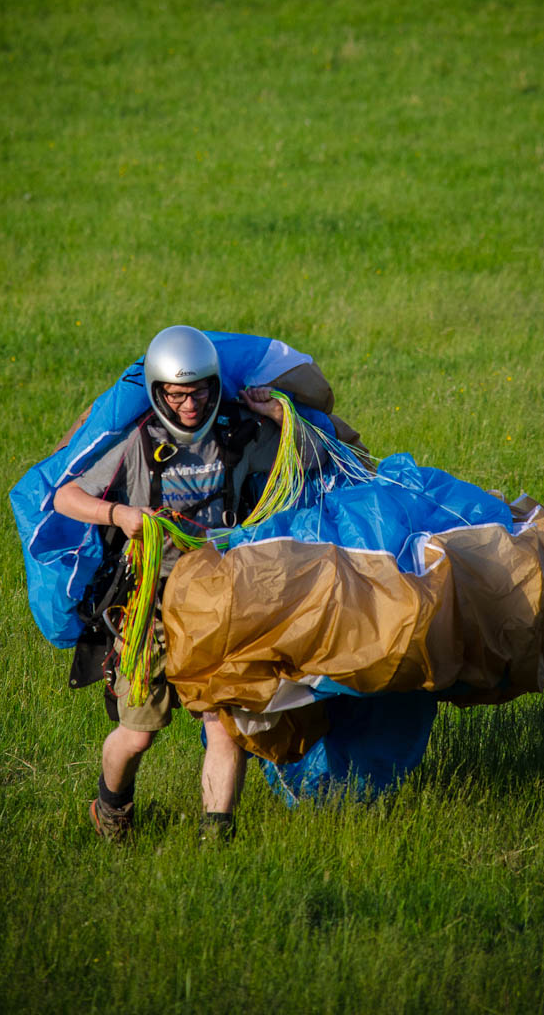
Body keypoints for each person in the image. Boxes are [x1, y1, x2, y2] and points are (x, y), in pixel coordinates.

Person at [53, 324, 326, 843]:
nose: (189, 405)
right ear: (158, 392)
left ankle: (216, 837)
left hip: (219, 602)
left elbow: (313, 458)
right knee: (138, 734)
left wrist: (276, 414)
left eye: (198, 391)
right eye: (177, 395)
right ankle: (110, 809)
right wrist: (119, 515)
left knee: (224, 726)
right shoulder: (137, 442)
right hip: (148, 607)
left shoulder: (238, 433)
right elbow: (66, 497)